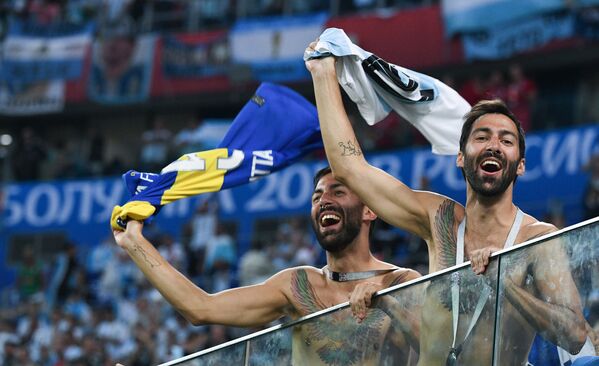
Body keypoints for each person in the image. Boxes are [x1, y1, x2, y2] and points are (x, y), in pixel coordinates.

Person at [305, 50, 588, 365]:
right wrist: (322, 73)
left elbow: (575, 335)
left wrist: (505, 285)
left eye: (506, 141)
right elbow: (349, 169)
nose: (493, 145)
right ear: (460, 156)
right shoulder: (438, 219)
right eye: (482, 137)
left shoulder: (536, 239)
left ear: (520, 166)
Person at [112, 167, 421, 365]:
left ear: (370, 210)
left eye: (338, 192)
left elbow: (440, 347)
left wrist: (388, 304)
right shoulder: (298, 285)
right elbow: (200, 308)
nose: (323, 200)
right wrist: (134, 242)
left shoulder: (402, 281)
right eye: (316, 197)